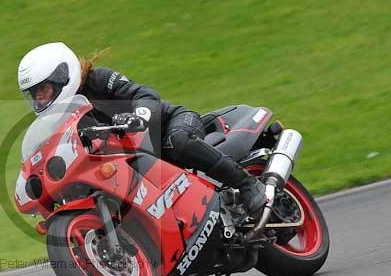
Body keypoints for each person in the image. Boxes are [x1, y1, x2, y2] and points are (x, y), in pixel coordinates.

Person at [17, 42, 266, 216]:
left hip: (167, 126)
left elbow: (144, 94)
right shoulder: (58, 119)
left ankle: (246, 184)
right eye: (34, 94)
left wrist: (140, 115)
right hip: (131, 159)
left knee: (179, 143)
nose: (39, 98)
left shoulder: (98, 79)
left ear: (63, 76)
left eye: (44, 89)